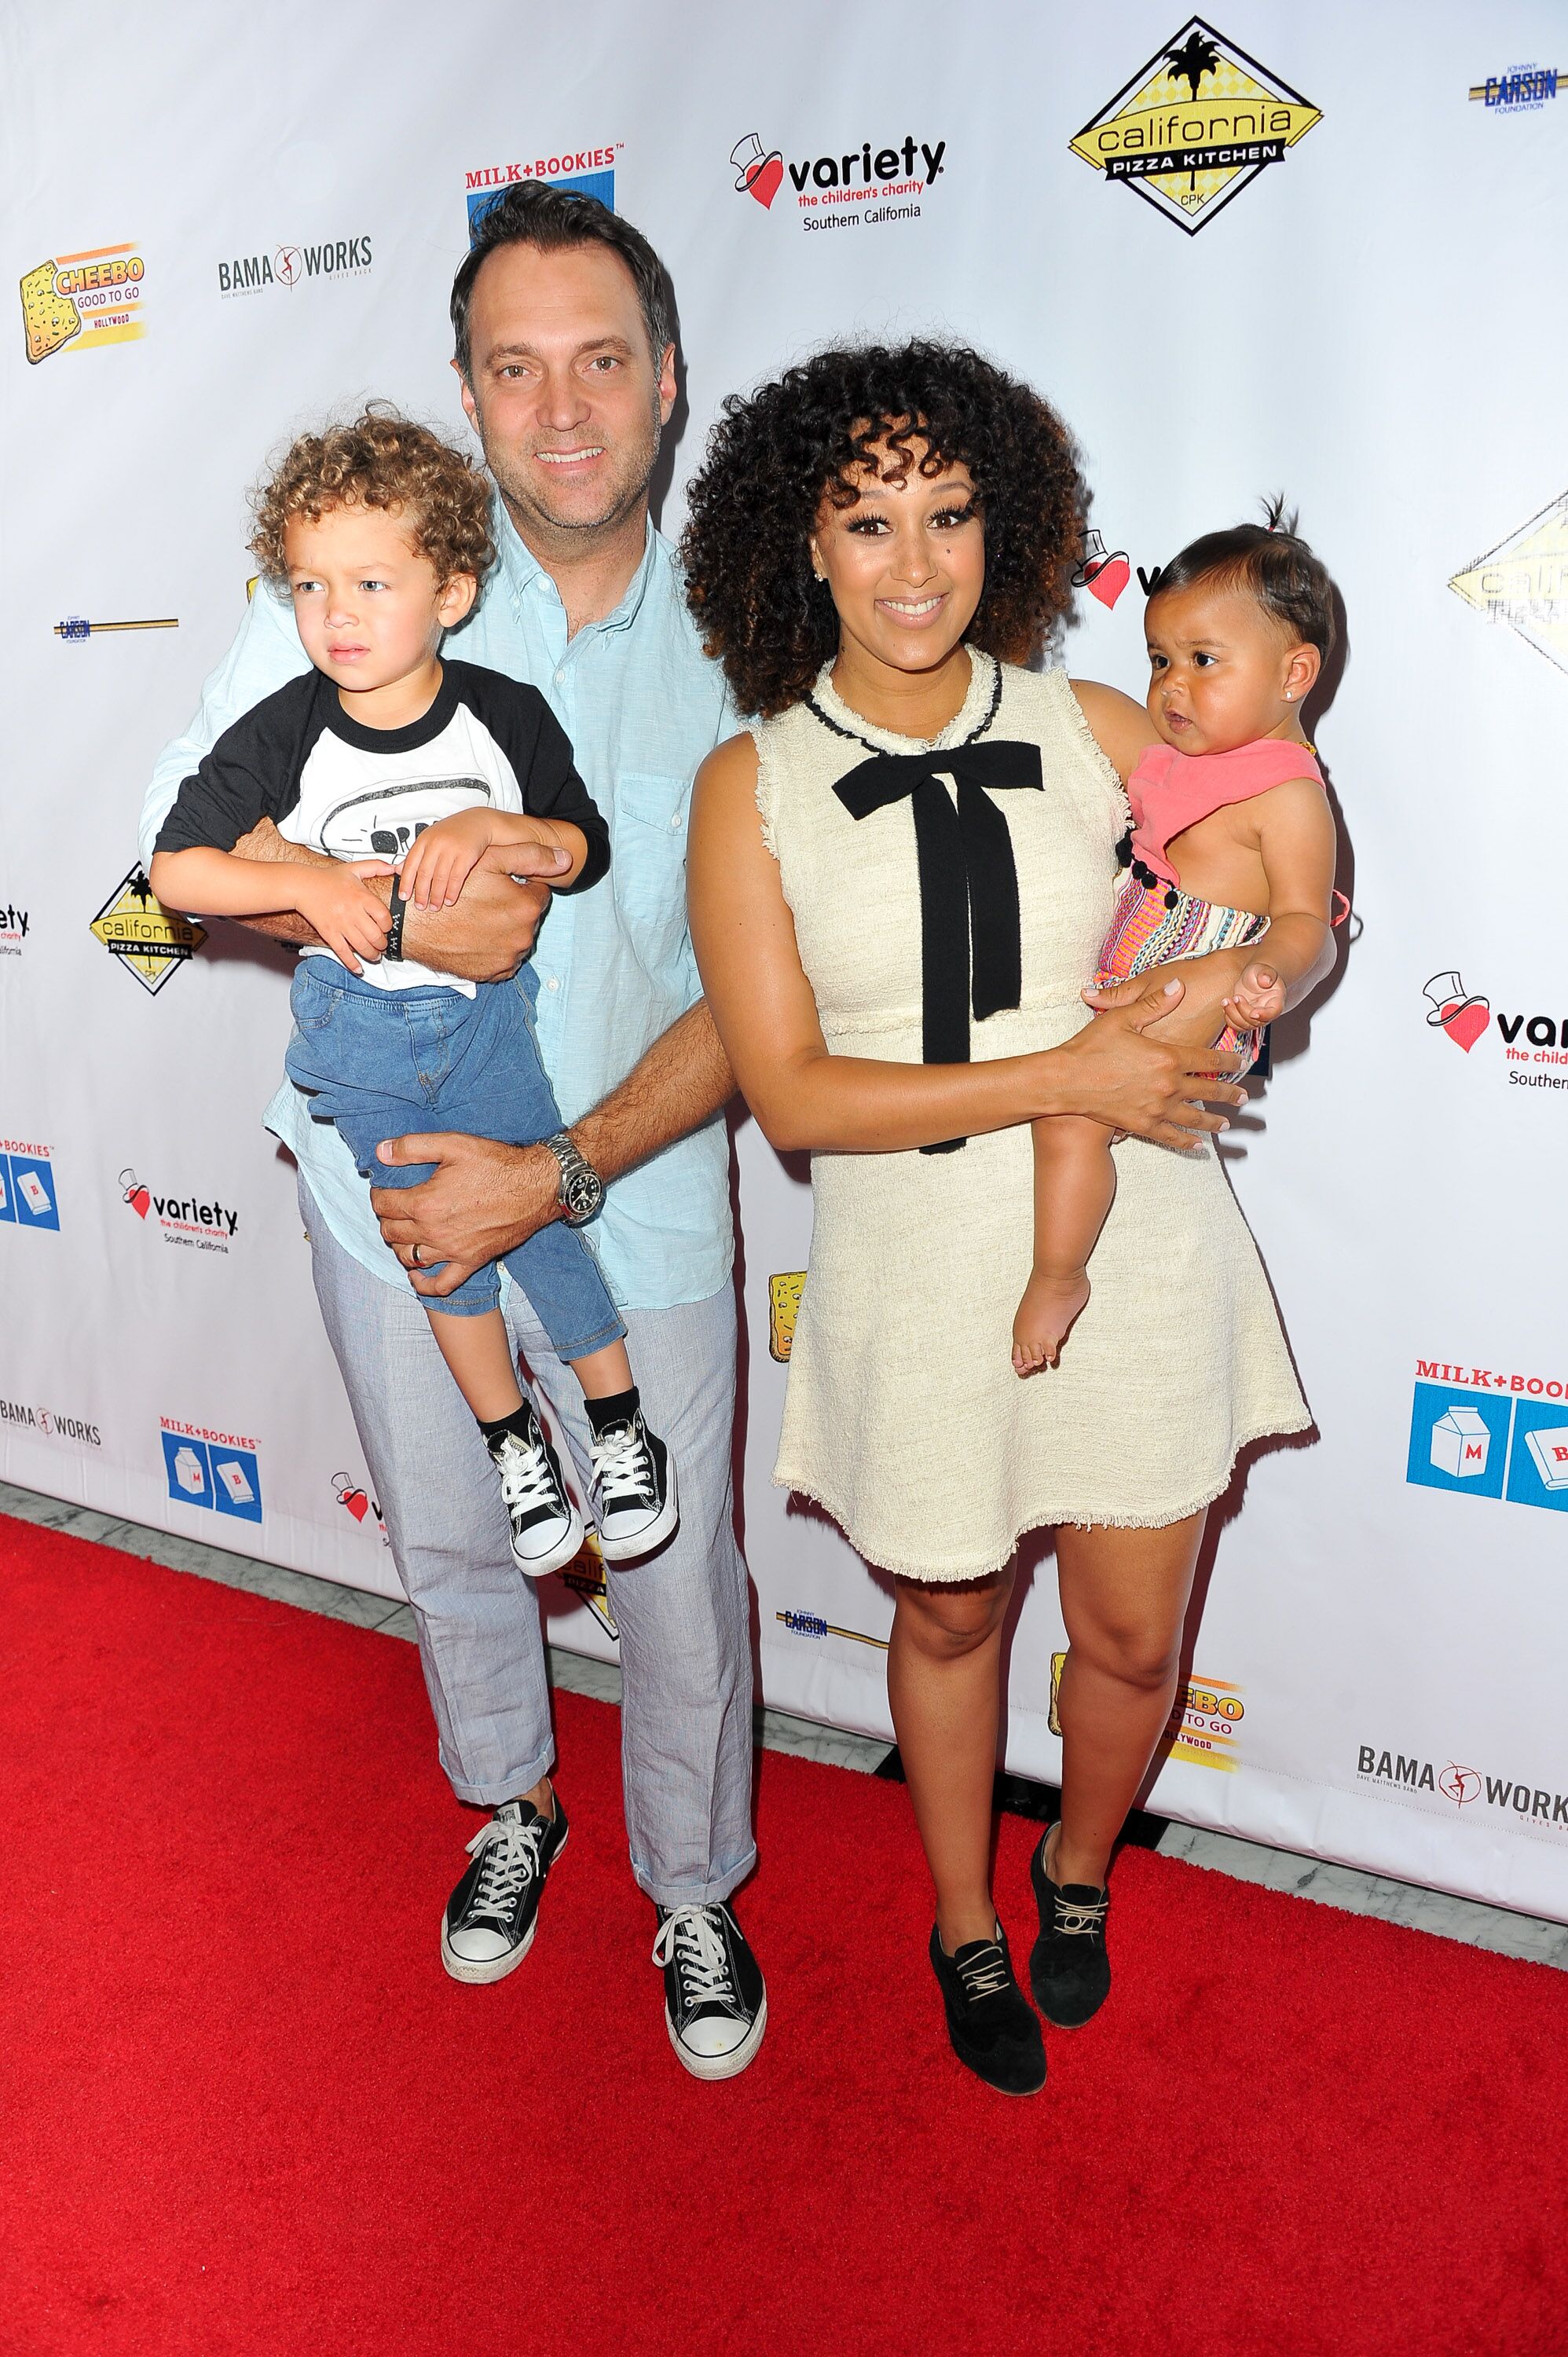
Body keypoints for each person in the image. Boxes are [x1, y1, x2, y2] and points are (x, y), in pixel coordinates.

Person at [139, 186, 764, 2080]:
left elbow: (772, 996)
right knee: (452, 1531)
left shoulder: (754, 634)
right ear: (468, 394)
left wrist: (558, 1167)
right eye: (514, 366)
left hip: (623, 1202)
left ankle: (696, 1885)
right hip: (384, 1191)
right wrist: (397, 914)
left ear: (667, 378)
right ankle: (510, 1799)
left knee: (670, 1577)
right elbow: (174, 879)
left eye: (599, 361)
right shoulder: (351, 580)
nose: (560, 407)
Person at [683, 343, 1324, 2096]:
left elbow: (1280, 877)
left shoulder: (1095, 724)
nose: (911, 562)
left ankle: (1074, 1873)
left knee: (1128, 1636)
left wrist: (1272, 964)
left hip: (1142, 1243)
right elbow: (797, 1099)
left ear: (1004, 527)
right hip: (915, 1265)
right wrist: (1070, 1083)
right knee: (952, 1617)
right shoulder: (747, 788)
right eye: (865, 519)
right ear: (799, 544)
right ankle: (962, 1916)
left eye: (948, 515)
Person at [148, 411, 680, 1578]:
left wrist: (502, 826)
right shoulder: (284, 727)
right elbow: (174, 868)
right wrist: (316, 889)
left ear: (450, 589)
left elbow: (581, 849)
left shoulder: (505, 715)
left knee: (539, 1219)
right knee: (436, 1249)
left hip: (490, 1027)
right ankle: (514, 1446)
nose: (334, 616)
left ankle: (618, 1424)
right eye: (308, 585)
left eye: (372, 582)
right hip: (361, 1042)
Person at [1012, 503, 1338, 1372]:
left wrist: (1275, 972)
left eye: (1203, 661)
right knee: (1059, 1093)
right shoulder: (1174, 755)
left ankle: (1058, 1275)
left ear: (1292, 672)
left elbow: (1310, 921)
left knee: (1070, 1112)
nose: (1171, 686)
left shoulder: (1288, 794)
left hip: (1208, 967)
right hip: (1142, 946)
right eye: (1159, 660)